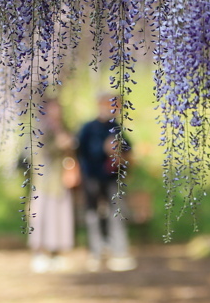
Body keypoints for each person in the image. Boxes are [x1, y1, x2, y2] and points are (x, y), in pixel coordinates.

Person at [76, 93, 136, 271]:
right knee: (93, 215)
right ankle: (96, 252)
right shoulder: (88, 128)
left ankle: (119, 251)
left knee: (116, 213)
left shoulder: (117, 128)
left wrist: (119, 156)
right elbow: (80, 152)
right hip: (92, 177)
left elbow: (129, 152)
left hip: (112, 178)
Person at [26, 97, 79, 272]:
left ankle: (57, 254)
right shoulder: (39, 130)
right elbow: (34, 152)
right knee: (41, 217)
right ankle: (40, 253)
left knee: (59, 219)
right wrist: (58, 144)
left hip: (60, 181)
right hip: (43, 181)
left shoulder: (63, 128)